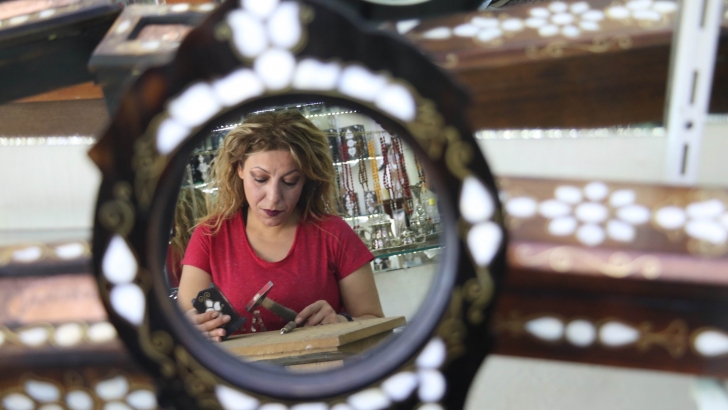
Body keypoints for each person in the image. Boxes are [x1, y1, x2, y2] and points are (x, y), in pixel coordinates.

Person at [177, 110, 384, 341]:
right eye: (260, 179)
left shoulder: (334, 233)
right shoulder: (210, 236)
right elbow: (184, 324)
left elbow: (375, 323)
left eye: (290, 181)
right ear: (239, 169)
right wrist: (190, 330)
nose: (274, 197)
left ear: (306, 179)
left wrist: (342, 322)